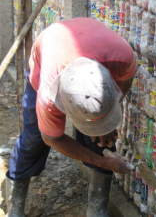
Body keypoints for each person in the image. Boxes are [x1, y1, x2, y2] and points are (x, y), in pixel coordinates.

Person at [6, 17, 137, 217]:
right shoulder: (48, 96)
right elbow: (52, 138)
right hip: (49, 50)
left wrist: (107, 117)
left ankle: (97, 208)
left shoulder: (123, 56)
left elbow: (125, 81)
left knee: (104, 141)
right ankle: (15, 208)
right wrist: (104, 163)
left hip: (92, 44)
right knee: (33, 138)